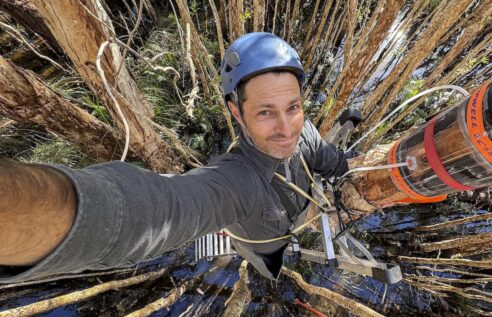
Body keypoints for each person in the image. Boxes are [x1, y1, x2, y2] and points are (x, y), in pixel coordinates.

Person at [0, 32, 352, 283]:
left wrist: (345, 166)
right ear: (236, 112)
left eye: (293, 107)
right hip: (264, 247)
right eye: (265, 113)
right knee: (272, 270)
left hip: (290, 221)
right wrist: (25, 208)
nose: (286, 128)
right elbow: (164, 206)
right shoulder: (235, 181)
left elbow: (323, 156)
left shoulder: (306, 134)